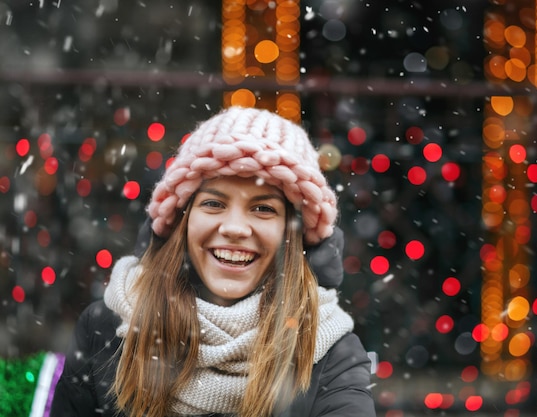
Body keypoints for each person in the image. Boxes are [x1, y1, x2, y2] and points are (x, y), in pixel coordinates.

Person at [50, 106, 376, 417]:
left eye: (264, 208)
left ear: (293, 236)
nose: (234, 228)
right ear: (182, 219)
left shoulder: (332, 350)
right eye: (213, 203)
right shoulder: (106, 328)